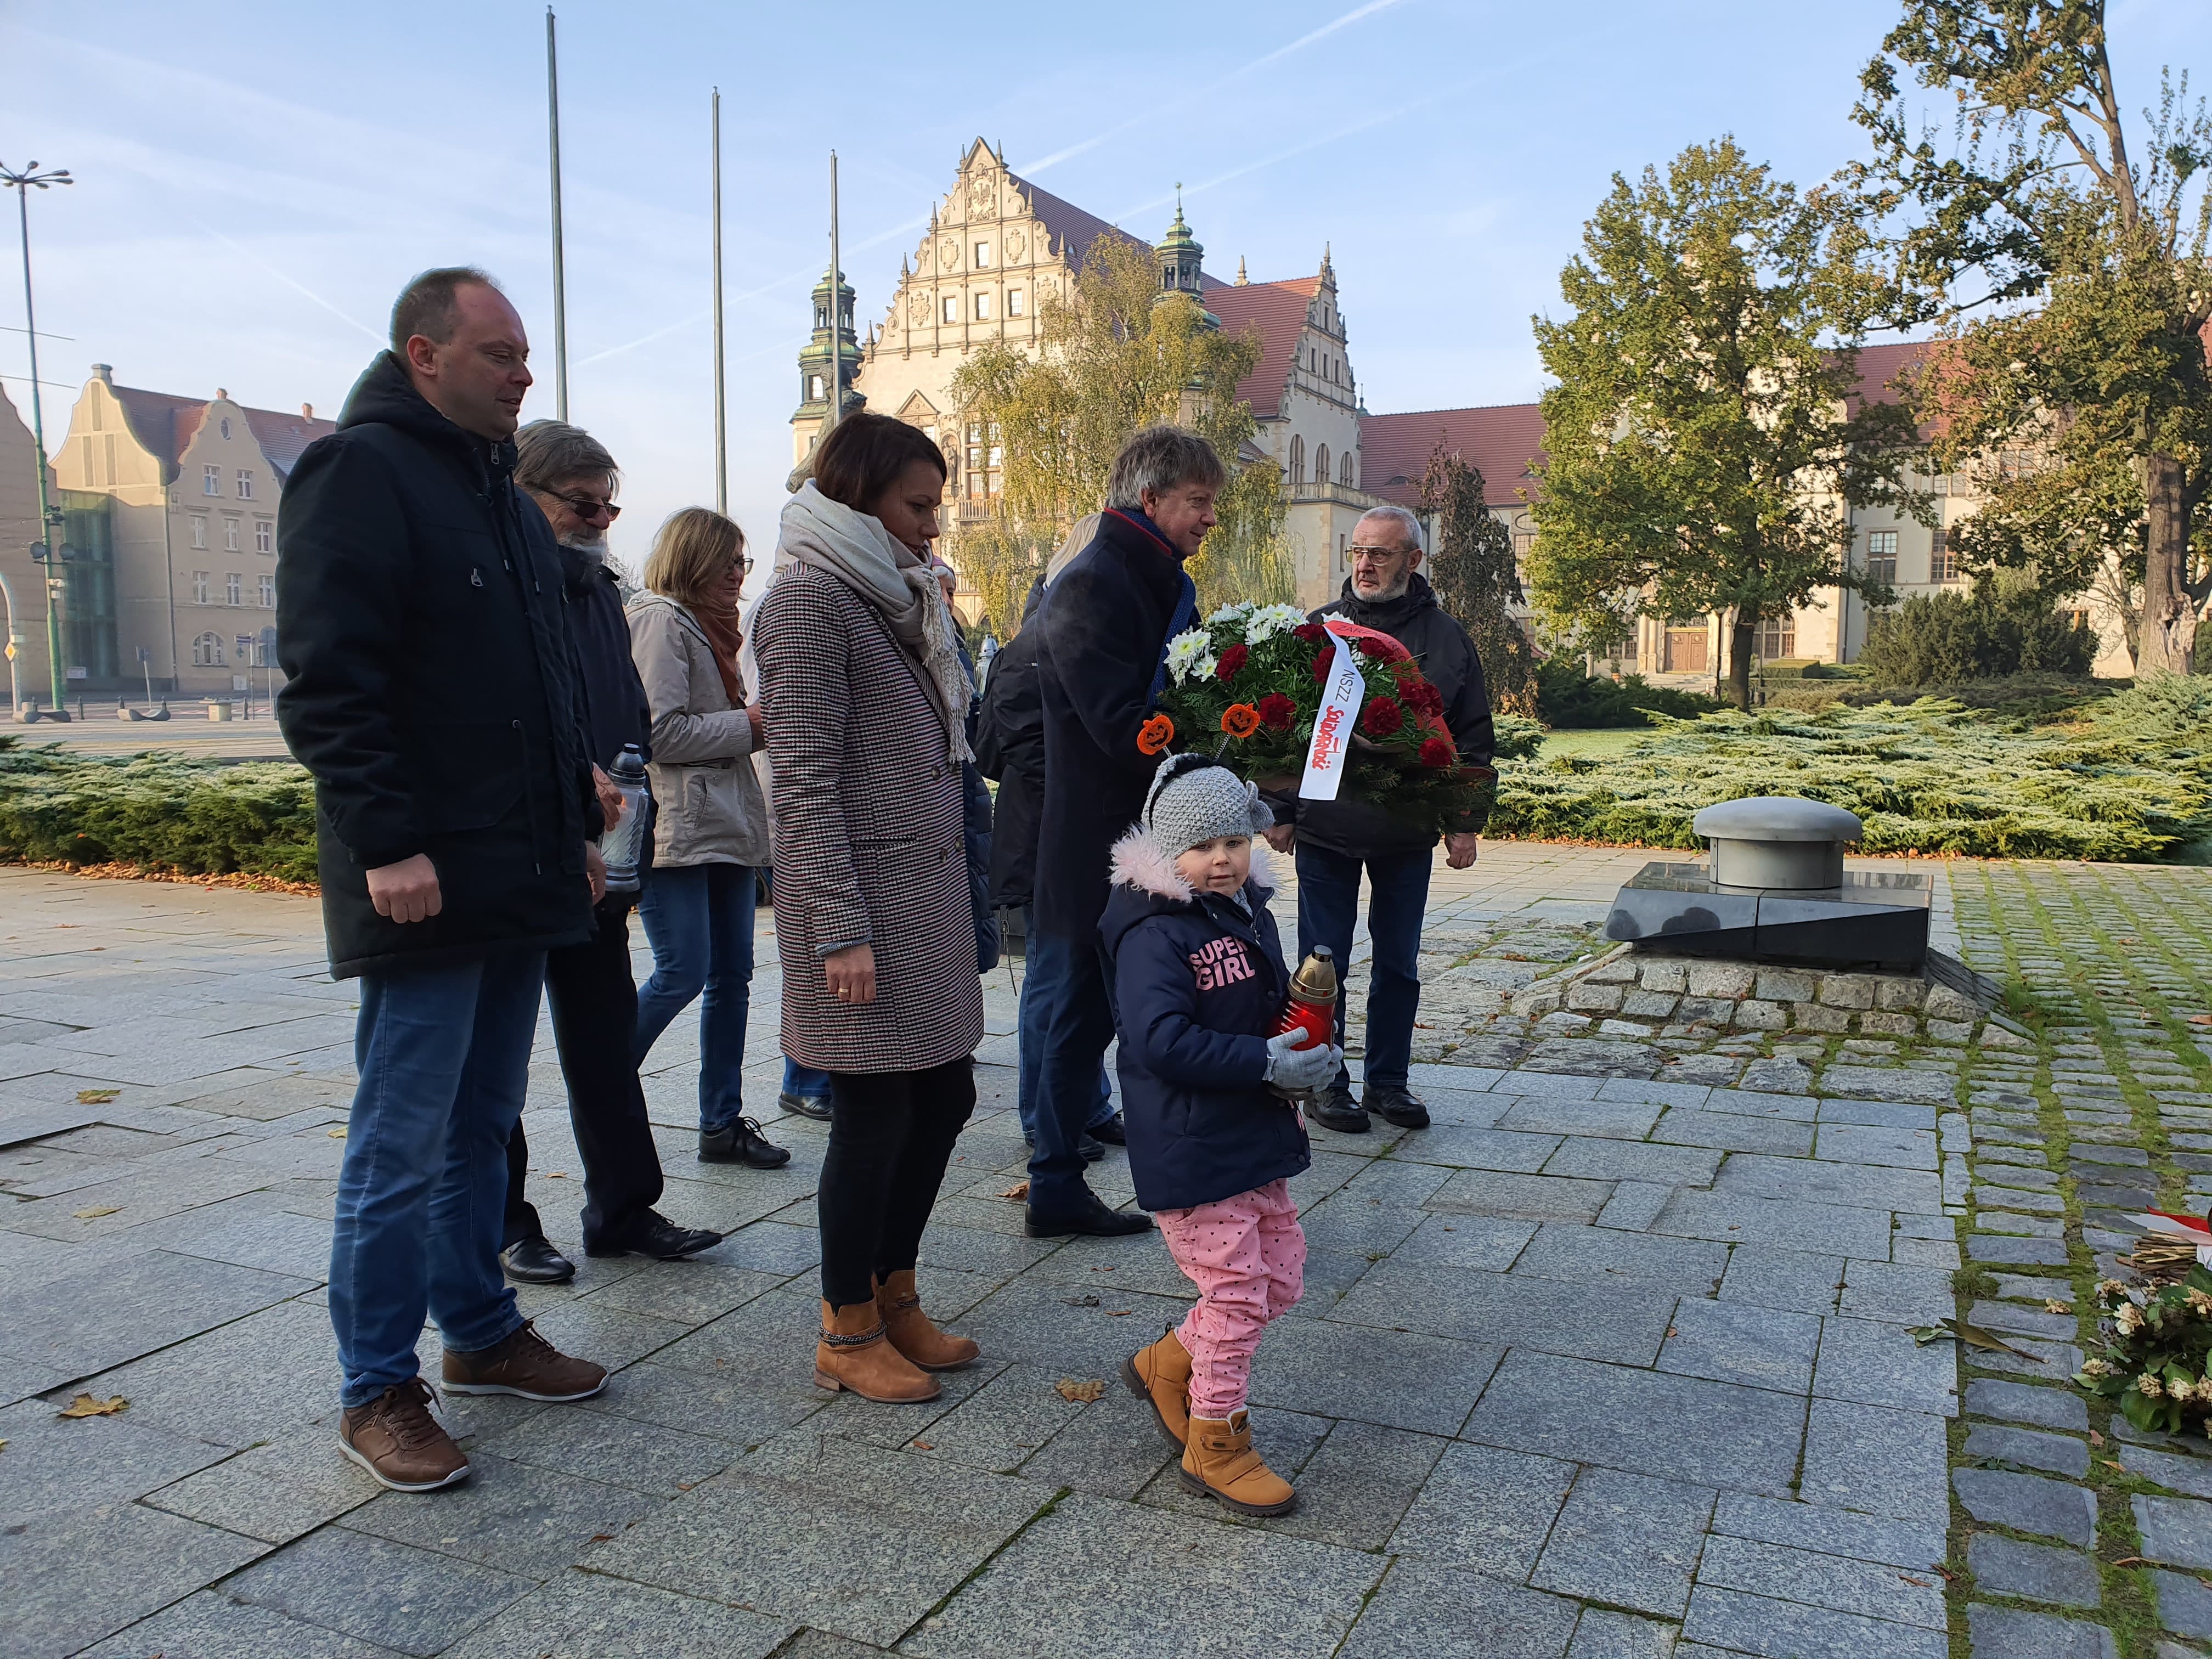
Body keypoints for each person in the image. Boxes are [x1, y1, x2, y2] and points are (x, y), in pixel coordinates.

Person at [276, 266, 608, 1494]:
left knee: (482, 1127)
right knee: (401, 1138)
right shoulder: (358, 473)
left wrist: (579, 820)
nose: (525, 373)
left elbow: (545, 685)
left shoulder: (513, 507)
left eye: (526, 356)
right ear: (424, 354)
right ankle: (376, 1387)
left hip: (516, 871)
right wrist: (384, 842)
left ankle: (479, 1336)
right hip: (420, 874)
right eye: (499, 353)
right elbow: (328, 679)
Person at [754, 411, 985, 1404]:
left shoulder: (900, 597)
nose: (933, 526)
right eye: (916, 505)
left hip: (920, 895)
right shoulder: (809, 602)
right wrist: (836, 928)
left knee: (945, 1096)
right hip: (858, 909)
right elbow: (800, 783)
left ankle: (895, 1294)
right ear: (857, 497)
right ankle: (845, 1326)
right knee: (872, 1114)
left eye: (935, 505)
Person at [495, 421, 725, 1284]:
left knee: (599, 1039)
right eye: (579, 503)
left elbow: (628, 707)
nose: (597, 519)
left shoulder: (597, 589)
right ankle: (507, 1223)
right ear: (523, 496)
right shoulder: (503, 585)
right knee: (499, 1058)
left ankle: (624, 1208)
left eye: (607, 503)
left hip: (603, 851)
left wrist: (625, 796)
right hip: (522, 852)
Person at [1103, 755, 1340, 1516]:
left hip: (1252, 1129)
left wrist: (1302, 1054)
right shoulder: (1153, 934)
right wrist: (1261, 1061)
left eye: (1235, 843)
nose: (1223, 860)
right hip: (1191, 1143)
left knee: (1280, 1279)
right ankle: (1217, 1441)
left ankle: (1168, 1363)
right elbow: (1159, 1039)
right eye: (1204, 848)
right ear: (1170, 853)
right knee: (1237, 1293)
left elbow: (1265, 1011)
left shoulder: (1247, 914)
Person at [1027, 425, 1224, 1238]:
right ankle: (1054, 1183)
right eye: (1199, 502)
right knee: (1077, 1013)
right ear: (1151, 498)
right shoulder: (1094, 583)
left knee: (1131, 1009)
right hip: (1097, 844)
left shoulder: (1156, 578)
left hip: (1144, 833)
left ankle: (1154, 1166)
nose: (1211, 519)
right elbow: (1120, 727)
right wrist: (1216, 730)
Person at [1265, 504, 1494, 1134]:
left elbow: (1472, 734)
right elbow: (1283, 726)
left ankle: (1389, 1083)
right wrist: (1281, 811)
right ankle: (1326, 1083)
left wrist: (1464, 821)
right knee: (1321, 962)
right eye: (1358, 551)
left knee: (1398, 964)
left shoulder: (1447, 640)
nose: (1365, 564)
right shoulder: (1320, 630)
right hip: (1325, 829)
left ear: (1414, 561)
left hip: (1405, 829)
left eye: (1381, 553)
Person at [627, 509, 792, 1170]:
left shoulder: (709, 627)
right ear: (692, 560)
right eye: (727, 561)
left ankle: (720, 1123)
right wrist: (750, 724)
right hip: (680, 828)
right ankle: (605, 1082)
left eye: (743, 562)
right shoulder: (662, 620)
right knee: (684, 971)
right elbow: (658, 734)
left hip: (725, 824)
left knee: (734, 977)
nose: (738, 574)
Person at [973, 517, 1121, 1162]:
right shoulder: (1034, 647)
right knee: (1053, 981)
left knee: (1083, 981)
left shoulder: (1062, 634)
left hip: (1071, 833)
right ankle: (1042, 1115)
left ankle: (1087, 1105)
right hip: (1047, 838)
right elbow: (1028, 758)